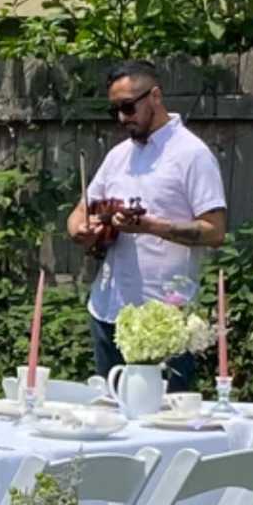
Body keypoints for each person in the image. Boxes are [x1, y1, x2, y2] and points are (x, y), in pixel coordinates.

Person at [66, 60, 228, 383]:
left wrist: (151, 226)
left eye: (127, 108)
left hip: (163, 319)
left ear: (155, 96)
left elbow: (215, 231)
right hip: (108, 312)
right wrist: (80, 231)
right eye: (115, 110)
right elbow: (78, 212)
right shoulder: (118, 156)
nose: (122, 118)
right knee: (111, 420)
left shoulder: (192, 155)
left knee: (165, 425)